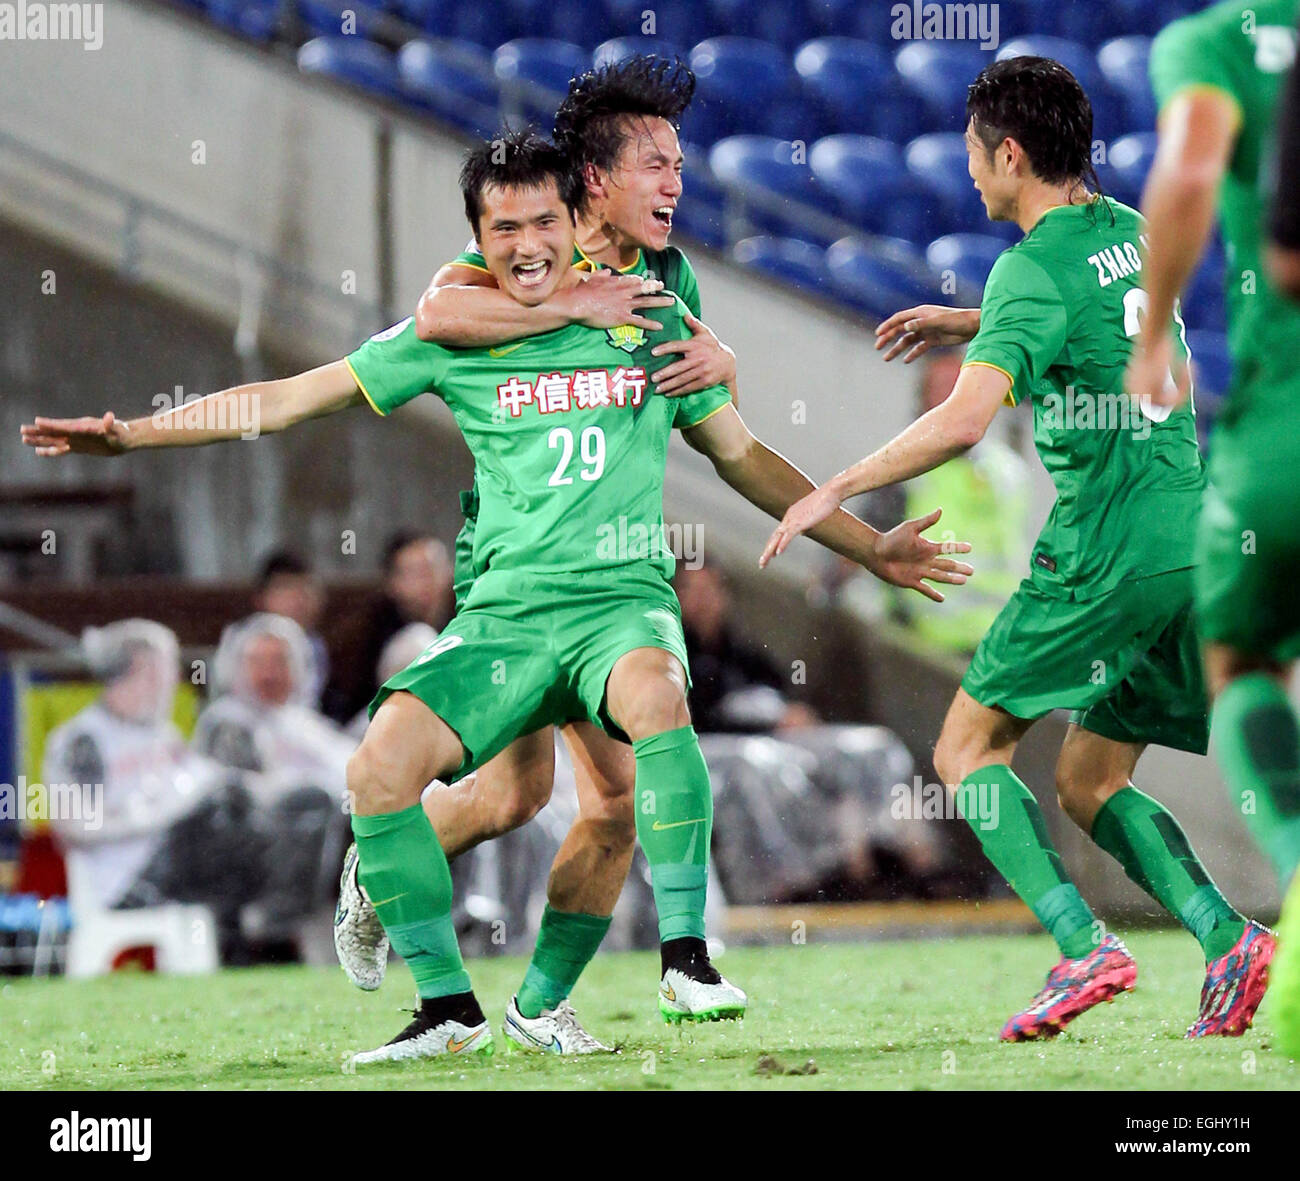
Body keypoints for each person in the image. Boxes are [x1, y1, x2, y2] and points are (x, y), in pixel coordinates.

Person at [22, 129, 970, 1064]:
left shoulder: (649, 311)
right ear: (479, 237)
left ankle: (651, 968)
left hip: (617, 604)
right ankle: (440, 994)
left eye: (543, 222)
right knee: (444, 785)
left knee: (619, 770)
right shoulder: (458, 322)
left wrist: (868, 541)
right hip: (505, 612)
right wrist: (135, 435)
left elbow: (742, 455)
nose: (526, 243)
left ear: (575, 216)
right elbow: (284, 399)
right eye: (503, 226)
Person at [763, 56, 1273, 1041]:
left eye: (971, 153)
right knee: (1088, 779)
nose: (966, 174)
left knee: (964, 746)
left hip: (1103, 552)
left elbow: (961, 423)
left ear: (1008, 153)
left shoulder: (1028, 267)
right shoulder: (1127, 232)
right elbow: (1106, 332)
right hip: (1188, 546)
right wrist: (977, 321)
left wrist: (836, 484)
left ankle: (1082, 944)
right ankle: (1226, 936)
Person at [331, 57, 739, 1031]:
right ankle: (390, 877)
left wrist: (723, 359)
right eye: (658, 162)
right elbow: (438, 313)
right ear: (593, 181)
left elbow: (698, 390)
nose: (677, 182)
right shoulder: (508, 257)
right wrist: (567, 303)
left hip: (604, 580)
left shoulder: (666, 273)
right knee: (525, 792)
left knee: (584, 796)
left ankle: (539, 1003)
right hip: (513, 572)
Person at [1125, 0, 1300, 1056]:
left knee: (1239, 664)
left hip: (1278, 436)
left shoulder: (1212, 45)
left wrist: (1152, 339)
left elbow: (1189, 174)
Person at [675, 558, 819, 733]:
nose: (702, 601)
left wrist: (794, 712)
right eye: (693, 591)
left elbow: (780, 686)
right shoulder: (672, 655)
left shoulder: (740, 653)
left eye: (708, 590)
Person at [324, 532, 453, 723]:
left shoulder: (466, 620)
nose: (428, 581)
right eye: (416, 573)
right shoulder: (365, 634)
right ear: (393, 583)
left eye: (433, 570)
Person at [251, 549, 329, 707]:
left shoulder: (318, 646)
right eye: (286, 588)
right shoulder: (245, 646)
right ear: (261, 599)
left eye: (306, 588)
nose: (298, 599)